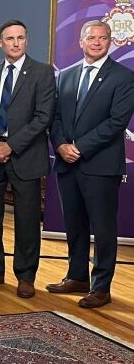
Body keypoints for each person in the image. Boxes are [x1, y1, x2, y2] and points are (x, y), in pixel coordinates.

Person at [47, 20, 134, 308]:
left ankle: (101, 287)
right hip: (66, 163)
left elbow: (116, 122)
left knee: (103, 228)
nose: (96, 42)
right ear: (81, 41)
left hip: (100, 165)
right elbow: (55, 116)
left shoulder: (123, 77)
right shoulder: (66, 76)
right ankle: (77, 276)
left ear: (111, 42)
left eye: (103, 38)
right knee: (74, 224)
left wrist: (79, 148)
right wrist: (60, 145)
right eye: (91, 38)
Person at [0, 20, 55, 299]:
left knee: (27, 220)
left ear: (26, 40)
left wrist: (10, 146)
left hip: (26, 156)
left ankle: (26, 276)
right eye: (10, 38)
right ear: (1, 42)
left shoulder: (43, 72)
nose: (16, 43)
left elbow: (43, 118)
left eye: (21, 37)